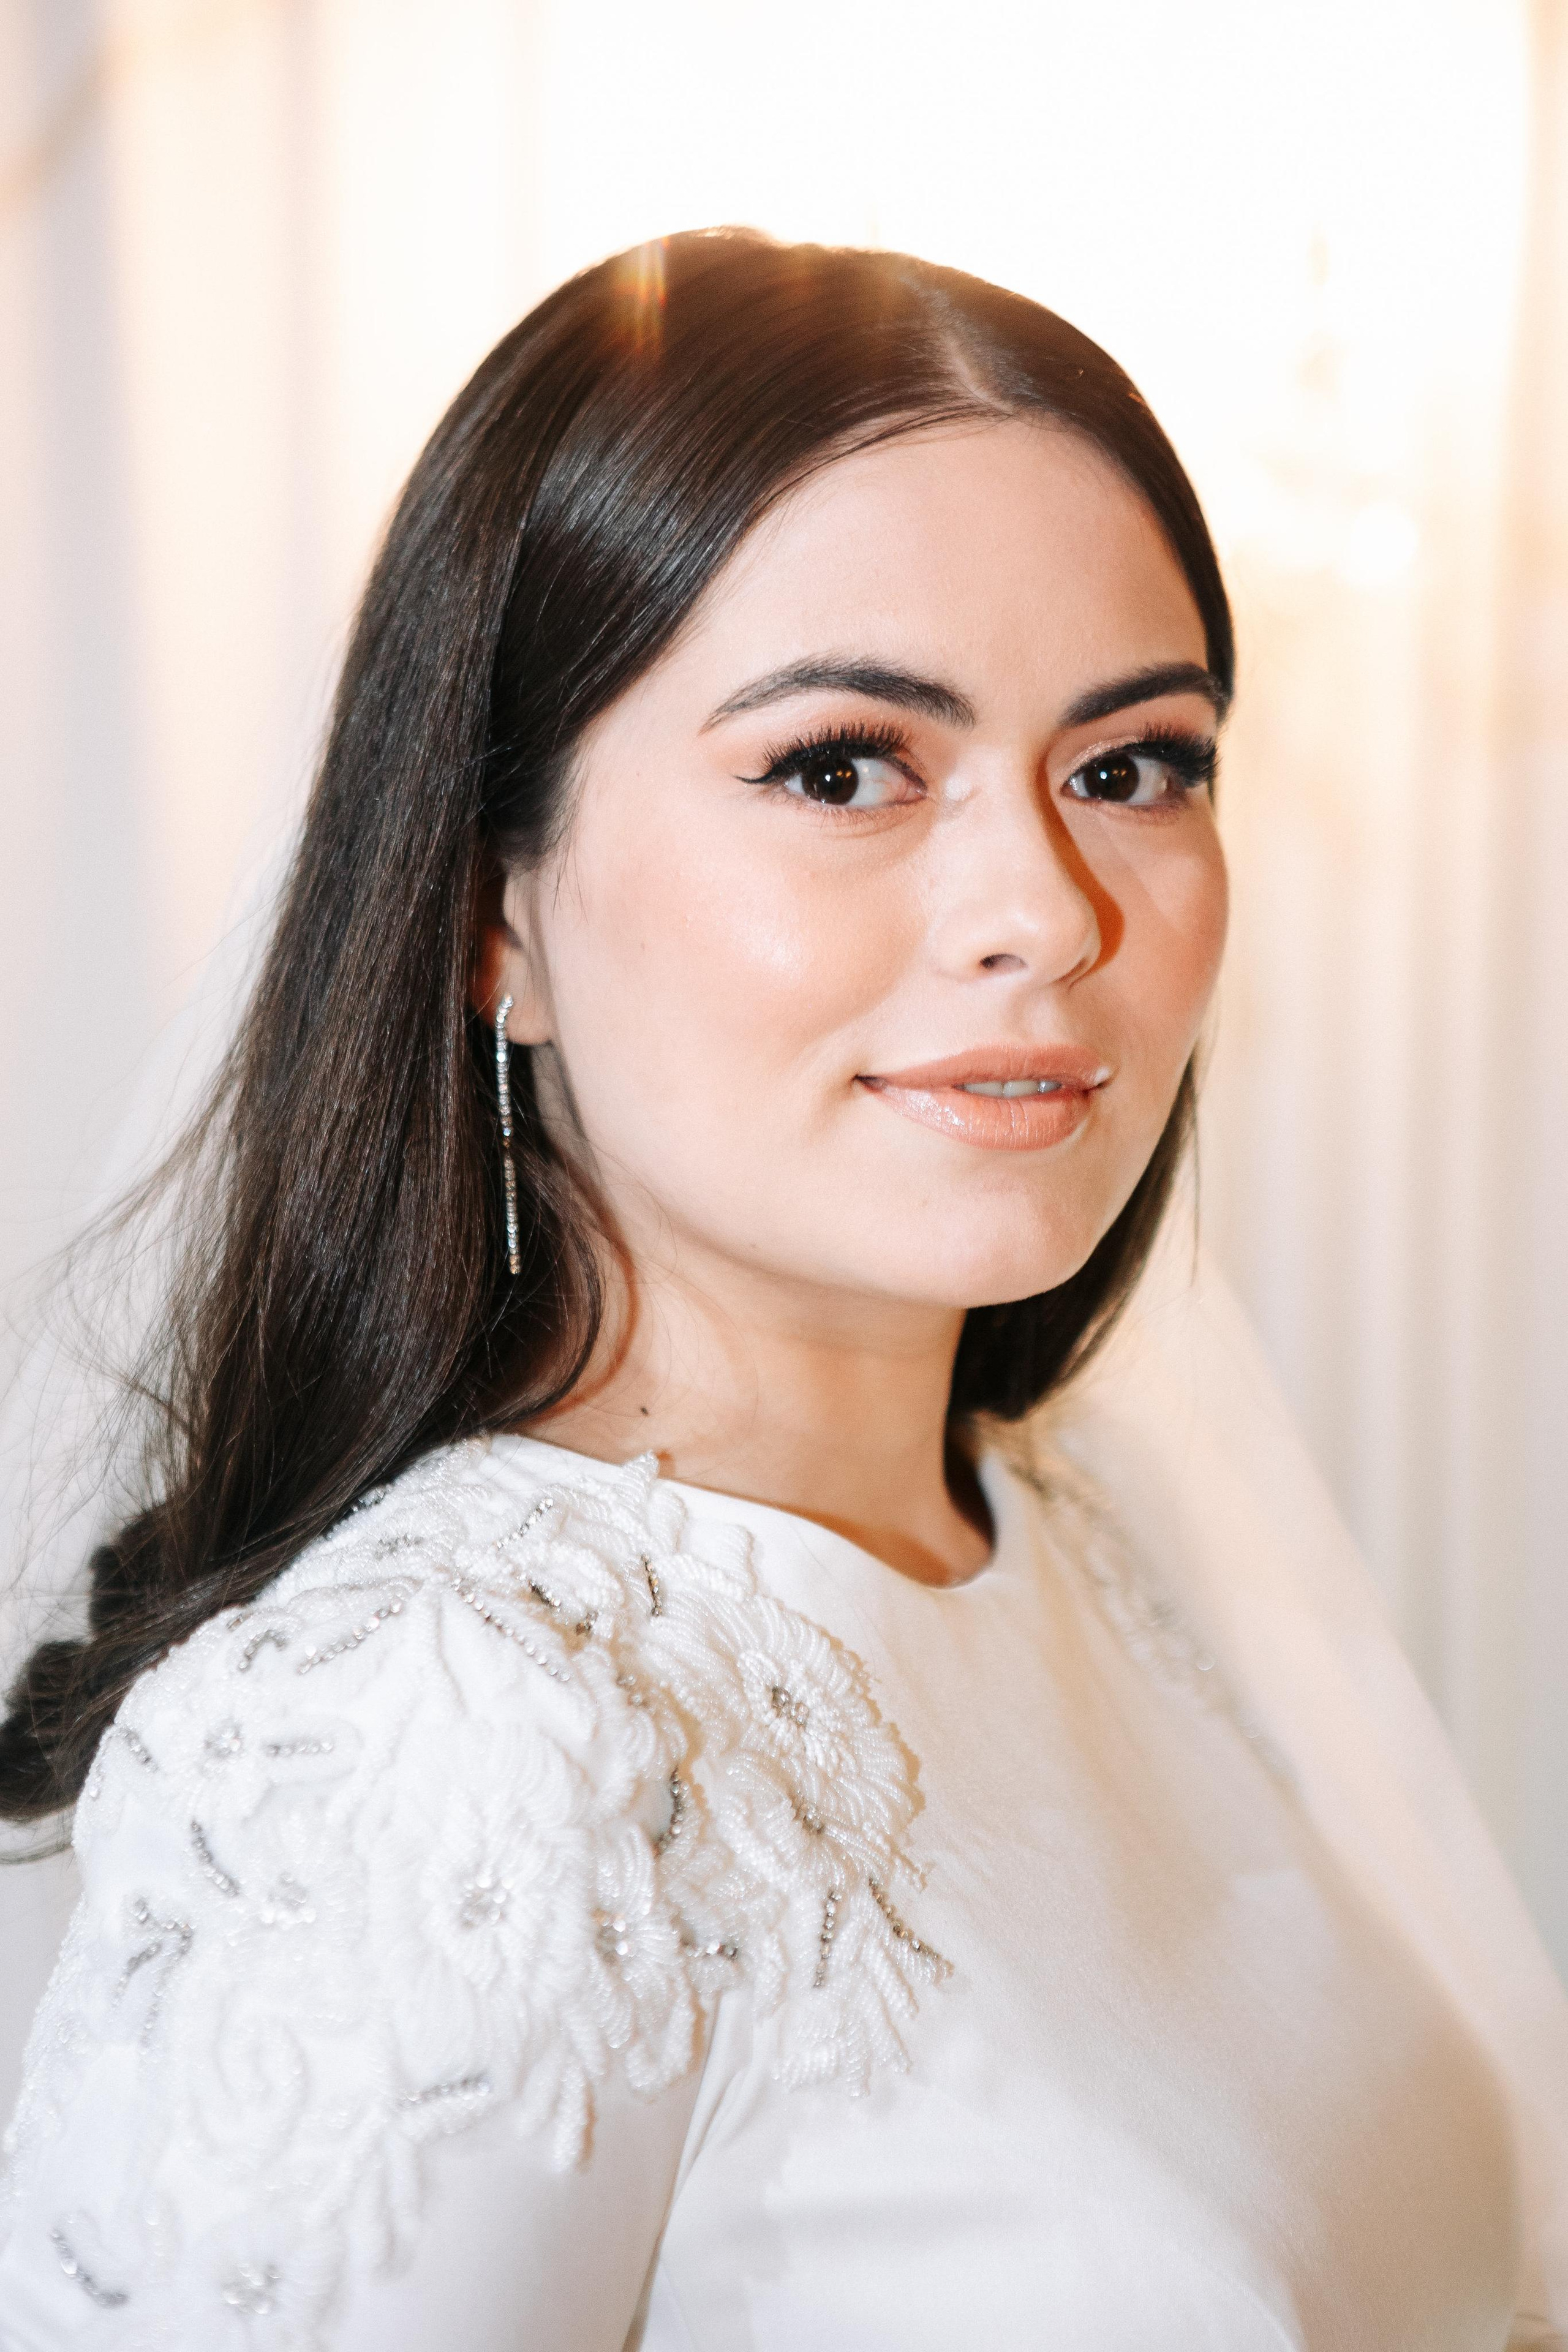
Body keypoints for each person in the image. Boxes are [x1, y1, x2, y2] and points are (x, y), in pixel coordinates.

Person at [0, 228, 1563, 2350]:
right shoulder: (438, 1741)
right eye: (843, 766)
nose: (1045, 909)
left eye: (1134, 765)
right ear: (493, 912)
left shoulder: (1082, 1533)